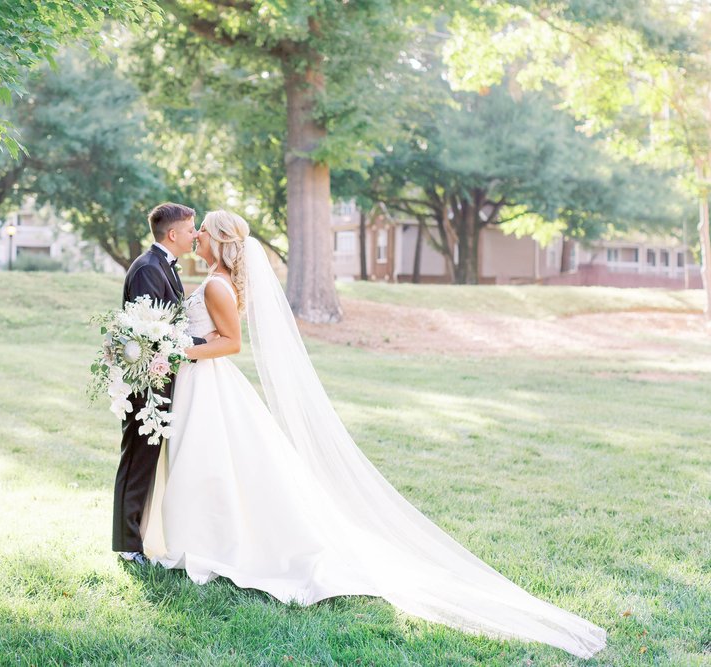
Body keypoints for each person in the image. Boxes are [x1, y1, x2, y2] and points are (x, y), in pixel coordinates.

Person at [140, 210, 607, 660]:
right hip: (200, 386)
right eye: (192, 231)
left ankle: (209, 543)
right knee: (205, 462)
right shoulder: (214, 279)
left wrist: (181, 349)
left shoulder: (219, 285)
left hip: (209, 382)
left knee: (209, 462)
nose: (195, 236)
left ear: (218, 240)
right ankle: (196, 538)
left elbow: (232, 343)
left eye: (202, 232)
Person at [112, 202, 205, 565]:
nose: (195, 235)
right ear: (173, 234)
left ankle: (137, 538)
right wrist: (205, 347)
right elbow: (151, 333)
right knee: (137, 461)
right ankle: (127, 545)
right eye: (191, 229)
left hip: (161, 380)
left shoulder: (161, 266)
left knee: (147, 462)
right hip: (145, 385)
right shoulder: (148, 269)